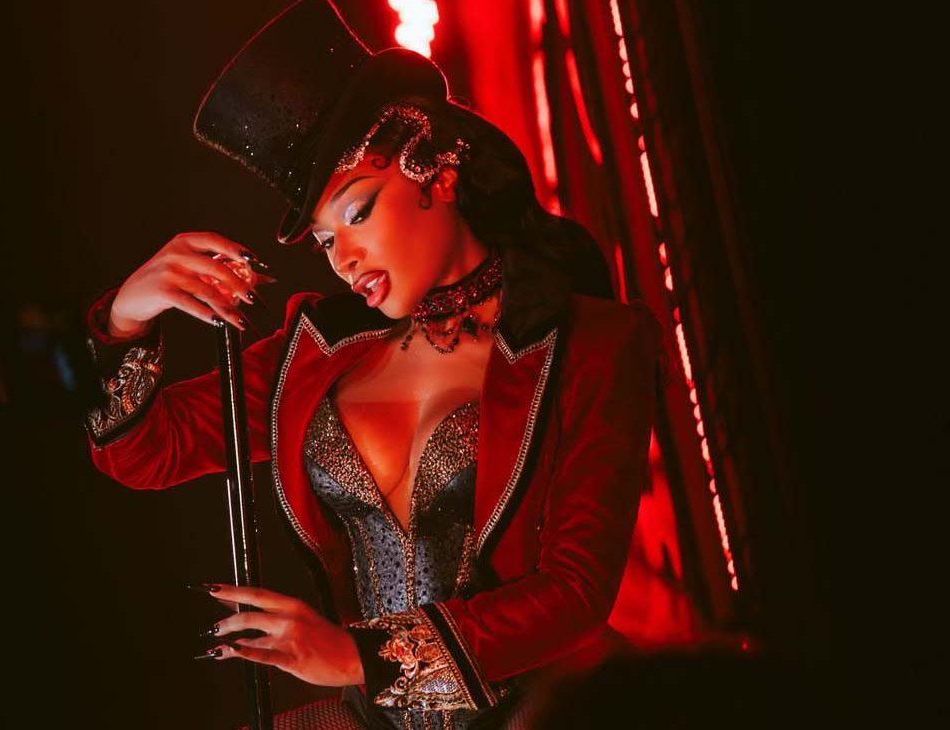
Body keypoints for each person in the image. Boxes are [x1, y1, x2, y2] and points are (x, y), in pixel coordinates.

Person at [83, 1, 662, 728]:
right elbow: (141, 452)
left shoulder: (592, 342)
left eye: (357, 213)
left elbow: (575, 594)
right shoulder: (314, 354)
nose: (345, 258)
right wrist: (126, 319)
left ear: (438, 174)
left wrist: (361, 657)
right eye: (326, 241)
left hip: (543, 713)